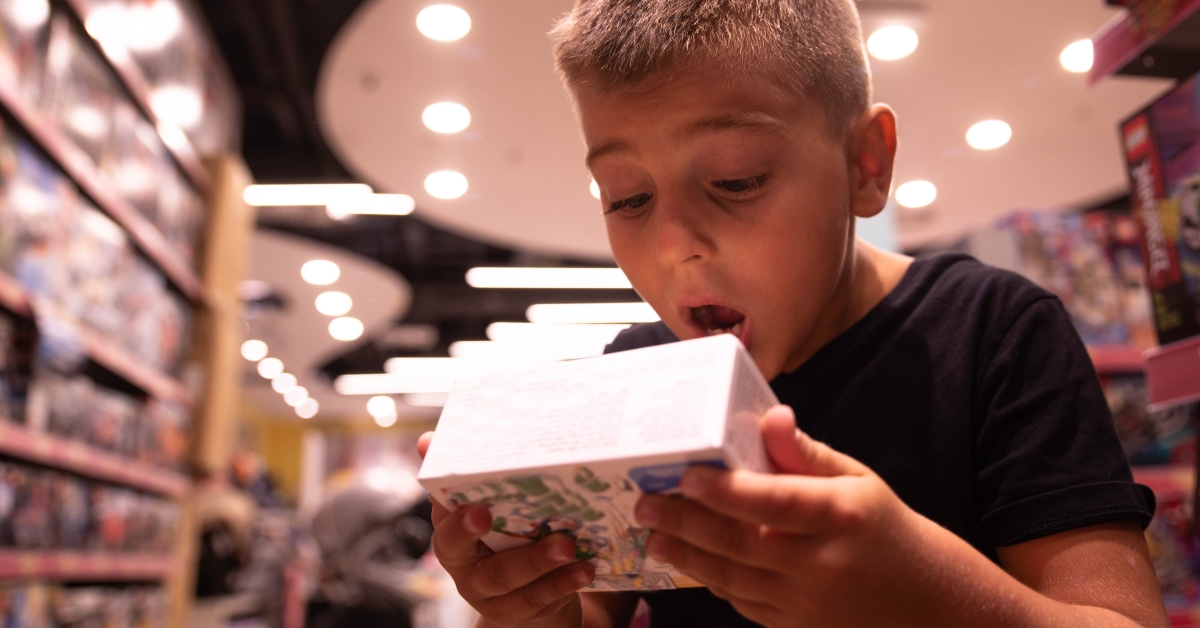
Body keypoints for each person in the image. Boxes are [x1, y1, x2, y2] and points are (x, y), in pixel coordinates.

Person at [417, 1, 1169, 626]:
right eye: (628, 197)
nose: (676, 245)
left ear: (864, 165)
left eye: (736, 180)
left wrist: (925, 596)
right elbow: (588, 611)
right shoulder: (639, 370)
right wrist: (526, 603)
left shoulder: (993, 331)